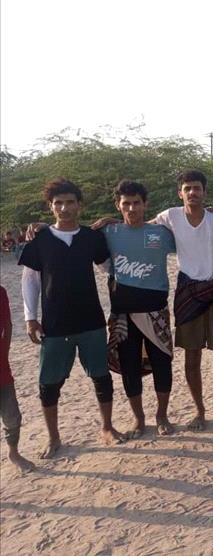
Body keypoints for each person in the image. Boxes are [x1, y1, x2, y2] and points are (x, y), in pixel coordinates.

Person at [18, 178, 124, 458]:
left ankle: (107, 428)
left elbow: (108, 268)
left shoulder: (91, 237)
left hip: (91, 320)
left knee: (101, 377)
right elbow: (30, 280)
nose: (64, 208)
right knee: (49, 384)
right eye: (58, 203)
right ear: (50, 206)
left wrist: (117, 227)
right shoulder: (40, 239)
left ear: (79, 205)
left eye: (69, 202)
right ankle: (54, 438)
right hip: (54, 324)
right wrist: (31, 318)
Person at [153, 169, 213, 431]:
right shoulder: (170, 216)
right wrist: (109, 222)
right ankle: (200, 411)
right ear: (180, 193)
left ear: (204, 191)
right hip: (188, 293)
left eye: (197, 188)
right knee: (192, 358)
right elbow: (139, 228)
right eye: (187, 188)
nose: (192, 192)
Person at [101, 179, 177, 438]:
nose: (131, 208)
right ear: (118, 206)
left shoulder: (161, 234)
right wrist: (41, 227)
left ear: (145, 205)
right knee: (129, 367)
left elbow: (194, 234)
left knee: (163, 363)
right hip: (122, 314)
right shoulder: (108, 233)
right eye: (126, 204)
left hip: (156, 311)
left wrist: (210, 212)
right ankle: (139, 418)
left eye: (136, 203)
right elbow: (73, 233)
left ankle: (162, 415)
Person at [0, 285, 35, 472]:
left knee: (12, 417)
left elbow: (8, 325)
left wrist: (4, 355)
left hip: (2, 372)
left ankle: (13, 452)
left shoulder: (1, 293)